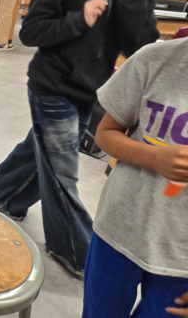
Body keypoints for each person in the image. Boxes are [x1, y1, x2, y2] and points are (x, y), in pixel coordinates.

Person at [0, 0, 160, 279]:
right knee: (63, 169)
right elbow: (31, 31)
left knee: (44, 148)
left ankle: (3, 191)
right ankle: (78, 253)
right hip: (52, 86)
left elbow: (141, 49)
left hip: (94, 92)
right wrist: (78, 19)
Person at [82, 38, 188, 317]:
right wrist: (154, 158)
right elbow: (105, 133)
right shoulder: (154, 60)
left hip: (181, 261)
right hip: (119, 231)